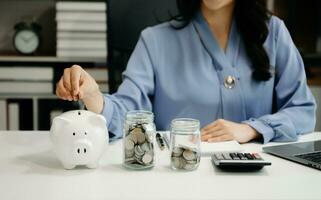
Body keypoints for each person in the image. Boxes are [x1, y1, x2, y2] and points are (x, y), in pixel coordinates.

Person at [56, 0, 316, 144]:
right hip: (178, 180)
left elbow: (302, 111)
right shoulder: (154, 40)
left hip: (260, 181)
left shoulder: (274, 33)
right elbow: (129, 114)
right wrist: (92, 96)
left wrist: (252, 129)